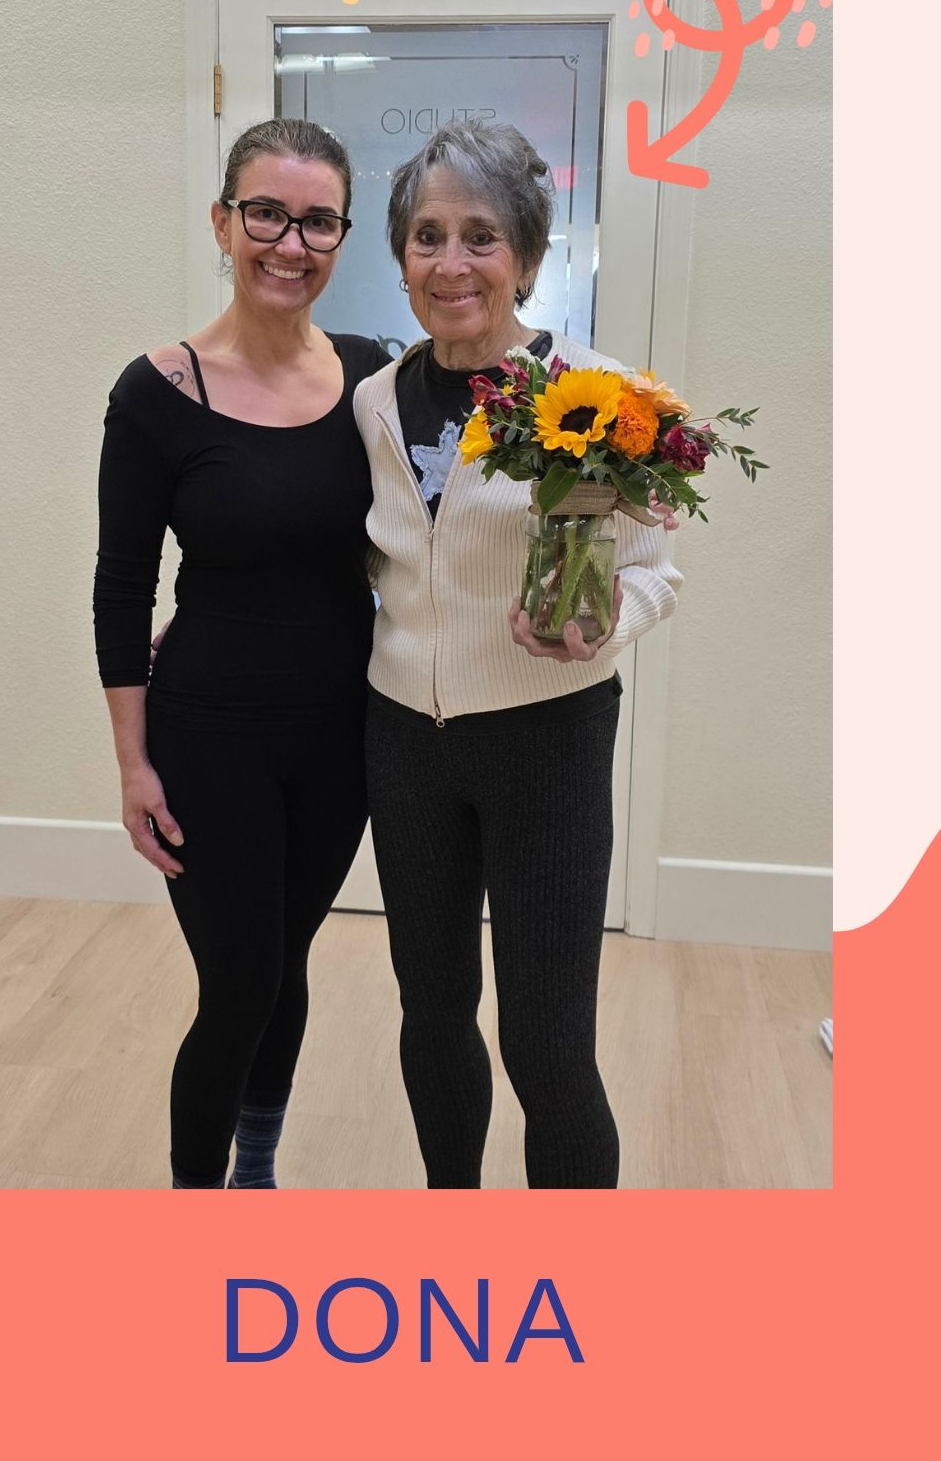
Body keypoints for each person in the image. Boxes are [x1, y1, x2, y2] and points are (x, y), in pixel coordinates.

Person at [354, 120, 683, 1189]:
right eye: (427, 236)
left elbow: (657, 573)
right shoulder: (373, 400)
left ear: (530, 258)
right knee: (433, 1012)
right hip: (405, 744)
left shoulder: (602, 400)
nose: (451, 263)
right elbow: (368, 555)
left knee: (546, 1046)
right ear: (401, 255)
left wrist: (605, 624)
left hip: (547, 740)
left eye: (482, 237)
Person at [93, 119, 387, 1190]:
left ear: (342, 236)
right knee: (239, 987)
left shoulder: (374, 377)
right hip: (209, 734)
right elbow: (122, 588)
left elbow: (427, 532)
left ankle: (254, 1172)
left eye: (318, 221)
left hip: (342, 735)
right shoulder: (158, 393)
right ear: (223, 223)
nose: (290, 243)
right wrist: (133, 764)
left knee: (283, 962)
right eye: (266, 213)